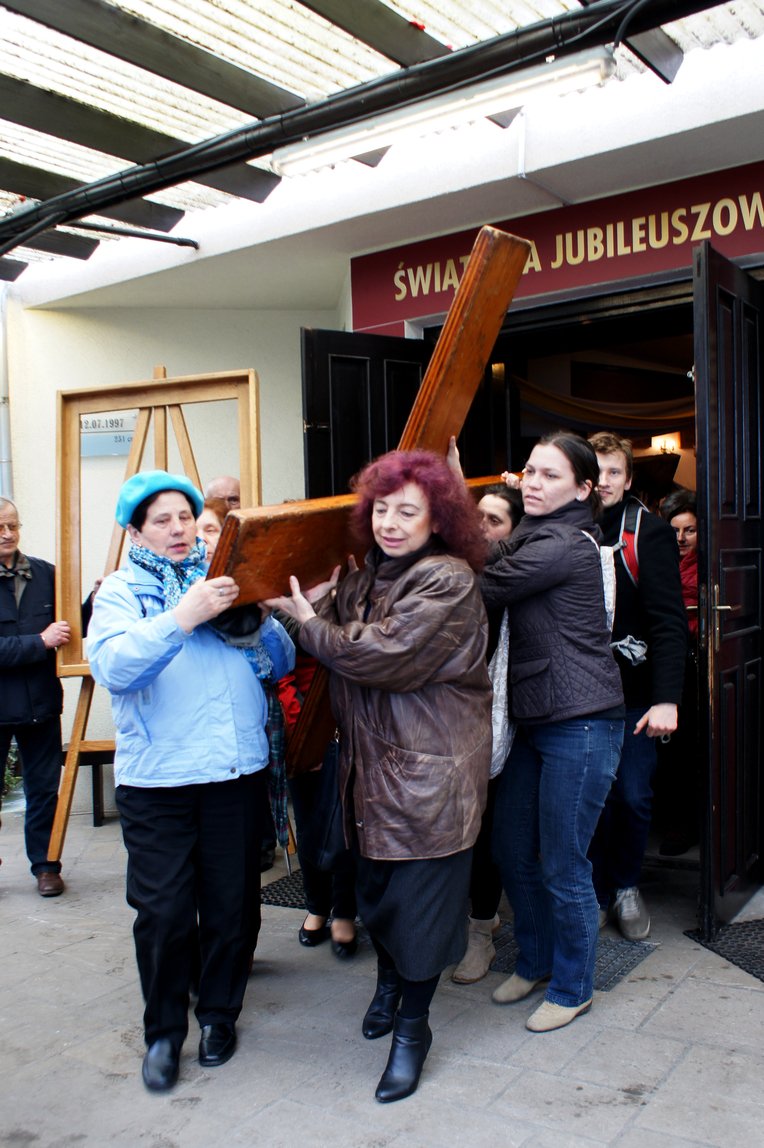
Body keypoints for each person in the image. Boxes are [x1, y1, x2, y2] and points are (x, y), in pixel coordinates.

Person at [265, 449, 492, 1103]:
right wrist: (305, 609)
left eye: (409, 512)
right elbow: (331, 629)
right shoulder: (364, 578)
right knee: (380, 898)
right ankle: (388, 986)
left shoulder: (447, 581)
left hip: (428, 780)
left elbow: (376, 655)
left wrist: (310, 621)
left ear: (439, 518)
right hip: (371, 776)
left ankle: (413, 1032)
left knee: (419, 912)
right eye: (383, 509)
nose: (392, 522)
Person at [86, 470, 294, 1093]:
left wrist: (254, 614)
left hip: (234, 772)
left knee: (233, 907)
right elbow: (115, 669)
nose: (179, 530)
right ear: (135, 532)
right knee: (164, 913)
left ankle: (220, 1015)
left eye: (186, 517)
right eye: (162, 521)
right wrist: (182, 616)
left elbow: (280, 661)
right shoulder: (121, 593)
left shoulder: (228, 580)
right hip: (158, 783)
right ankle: (163, 1034)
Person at [480, 431, 625, 1033]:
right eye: (529, 472)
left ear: (583, 489)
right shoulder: (532, 534)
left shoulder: (565, 542)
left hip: (582, 721)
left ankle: (573, 986)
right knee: (512, 848)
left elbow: (488, 582)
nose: (534, 483)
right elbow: (494, 558)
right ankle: (535, 960)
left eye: (550, 476)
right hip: (535, 719)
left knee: (563, 862)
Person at [587, 432, 687, 940]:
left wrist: (667, 697)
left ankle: (625, 885)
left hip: (634, 693)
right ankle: (597, 891)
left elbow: (670, 622)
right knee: (589, 798)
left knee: (630, 795)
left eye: (613, 472)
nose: (603, 481)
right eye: (596, 470)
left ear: (627, 480)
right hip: (576, 694)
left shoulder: (648, 533)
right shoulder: (561, 526)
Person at [451, 482, 523, 984]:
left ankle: (481, 933)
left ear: (515, 534)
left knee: (489, 835)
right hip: (448, 724)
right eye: (476, 517)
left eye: (494, 521)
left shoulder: (513, 581)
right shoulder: (451, 574)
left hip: (506, 724)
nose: (481, 527)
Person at [0, 498, 71, 897]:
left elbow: (69, 627)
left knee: (43, 790)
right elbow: (46, 639)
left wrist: (95, 601)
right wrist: (39, 643)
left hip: (41, 704)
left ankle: (46, 866)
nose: (8, 534)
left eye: (13, 526)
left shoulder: (46, 573)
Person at [277, 634, 358, 958]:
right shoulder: (286, 595)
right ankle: (317, 906)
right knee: (309, 820)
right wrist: (303, 728)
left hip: (350, 719)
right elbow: (279, 664)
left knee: (346, 821)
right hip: (301, 723)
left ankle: (344, 912)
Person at [654, 488, 699, 855]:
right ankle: (670, 823)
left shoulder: (710, 569)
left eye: (690, 530)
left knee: (692, 749)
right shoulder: (660, 565)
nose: (681, 539)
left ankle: (689, 825)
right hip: (666, 664)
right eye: (675, 531)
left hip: (701, 665)